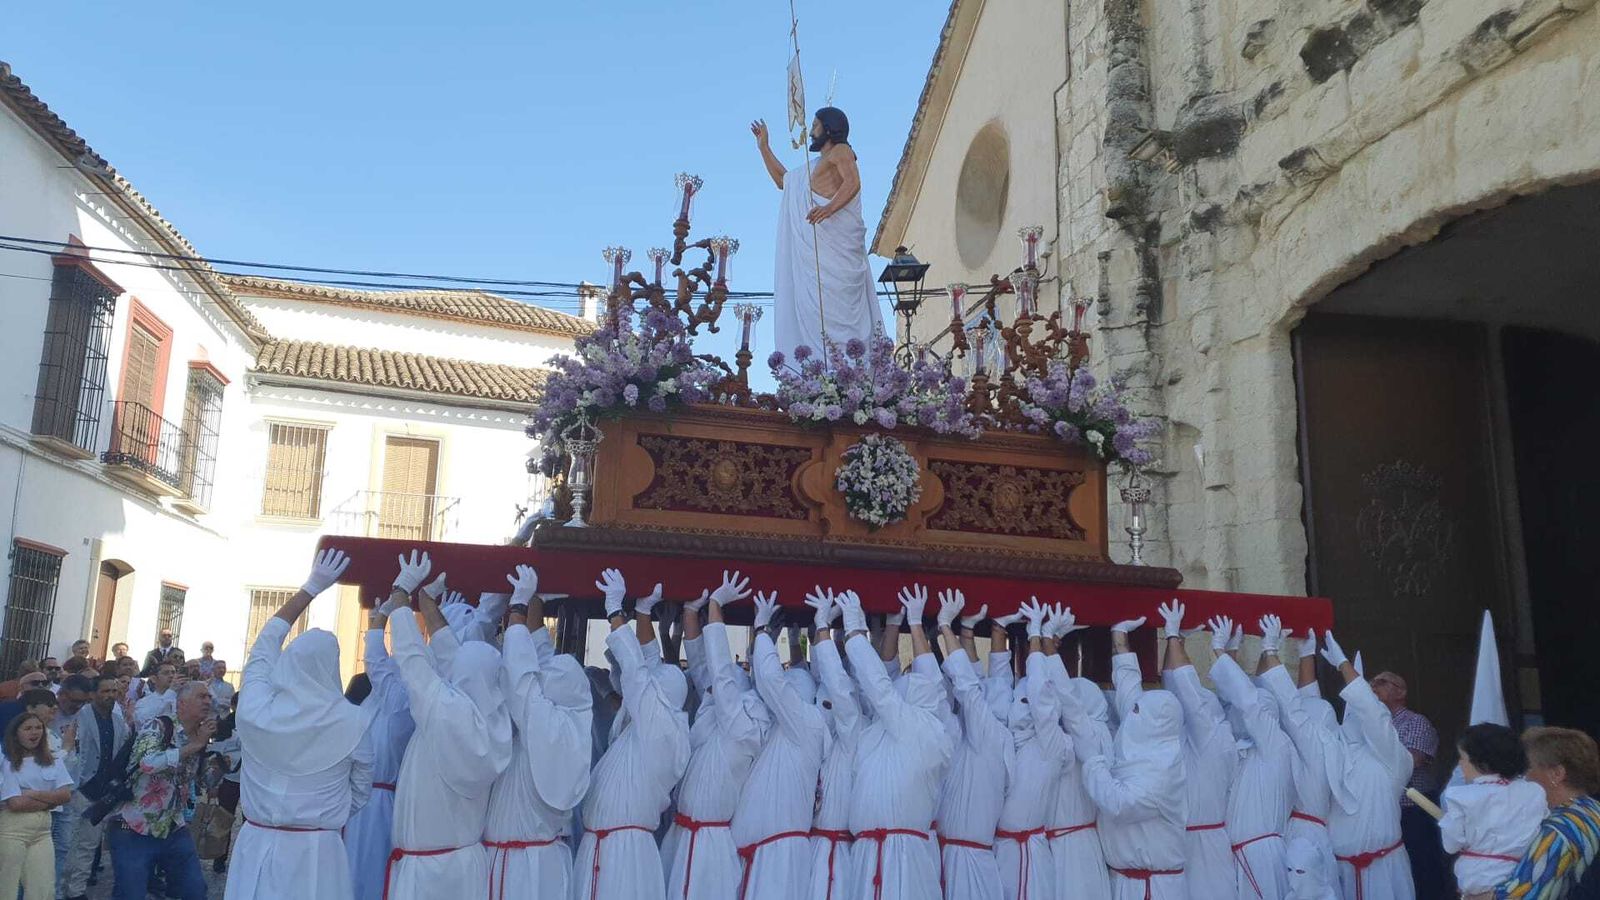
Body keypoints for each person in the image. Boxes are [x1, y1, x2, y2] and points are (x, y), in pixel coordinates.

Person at [224, 548, 375, 900]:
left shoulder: (254, 707)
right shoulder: (353, 720)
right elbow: (361, 789)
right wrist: (326, 813)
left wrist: (310, 588)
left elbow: (263, 646)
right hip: (317, 850)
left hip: (257, 842)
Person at [382, 550, 512, 900]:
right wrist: (426, 602)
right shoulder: (493, 722)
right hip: (464, 866)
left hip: (428, 877)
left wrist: (401, 591)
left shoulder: (448, 712)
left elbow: (412, 657)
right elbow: (454, 656)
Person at [574, 567, 690, 900]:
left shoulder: (664, 733)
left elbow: (640, 677)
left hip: (624, 854)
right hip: (602, 847)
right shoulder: (656, 718)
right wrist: (641, 614)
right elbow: (649, 668)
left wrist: (615, 612)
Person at [833, 587, 952, 900]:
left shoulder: (922, 730)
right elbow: (889, 687)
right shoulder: (886, 730)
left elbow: (881, 688)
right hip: (866, 855)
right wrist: (899, 625)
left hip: (901, 857)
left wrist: (856, 633)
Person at [483, 565, 593, 900]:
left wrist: (517, 607)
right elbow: (541, 664)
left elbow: (522, 682)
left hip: (520, 868)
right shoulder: (572, 716)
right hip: (538, 859)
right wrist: (536, 608)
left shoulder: (550, 727)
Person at [752, 107, 884, 358]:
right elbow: (783, 181)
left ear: (829, 127)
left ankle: (851, 368)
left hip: (838, 252)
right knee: (817, 312)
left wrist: (829, 209)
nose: (812, 132)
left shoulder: (841, 151)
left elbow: (853, 182)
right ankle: (821, 371)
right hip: (816, 255)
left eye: (815, 126)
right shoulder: (811, 167)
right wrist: (764, 148)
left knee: (841, 310)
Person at [1075, 615, 1189, 900]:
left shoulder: (1163, 773)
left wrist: (1093, 761)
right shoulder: (1143, 742)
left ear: (1155, 724)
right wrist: (1120, 637)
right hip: (1125, 879)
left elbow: (1118, 803)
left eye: (1138, 714)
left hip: (1154, 887)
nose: (1131, 716)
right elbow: (1130, 696)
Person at [666, 573, 762, 900]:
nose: (712, 690)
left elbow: (721, 674)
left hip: (713, 845)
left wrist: (718, 607)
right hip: (681, 837)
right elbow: (701, 667)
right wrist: (692, 613)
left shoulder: (743, 730)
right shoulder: (714, 710)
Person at [732, 590, 827, 900]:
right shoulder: (784, 726)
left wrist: (762, 631)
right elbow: (757, 683)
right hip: (761, 855)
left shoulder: (805, 722)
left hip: (778, 860)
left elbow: (772, 681)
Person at [1317, 634, 1416, 900]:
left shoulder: (1395, 757)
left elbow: (1373, 715)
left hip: (1384, 870)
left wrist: (1343, 665)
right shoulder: (1335, 752)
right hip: (1340, 872)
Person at [1209, 615, 1298, 900]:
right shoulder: (1243, 749)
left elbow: (1248, 703)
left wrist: (1220, 653)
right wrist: (1232, 656)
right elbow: (1233, 703)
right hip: (1236, 855)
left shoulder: (1277, 745)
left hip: (1261, 855)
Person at [106, 680, 216, 900]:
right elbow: (147, 763)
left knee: (195, 890)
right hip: (133, 827)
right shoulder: (157, 726)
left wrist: (220, 765)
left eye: (209, 697)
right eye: (201, 696)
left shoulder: (200, 736)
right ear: (182, 703)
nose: (208, 701)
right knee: (130, 894)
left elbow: (200, 782)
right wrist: (193, 747)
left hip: (173, 826)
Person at [344, 599, 416, 900]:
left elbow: (376, 660)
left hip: (379, 803)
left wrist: (380, 619)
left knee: (370, 872)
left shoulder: (401, 705)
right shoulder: (377, 706)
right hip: (361, 801)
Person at [1435, 723, 1547, 898]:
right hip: (1521, 879)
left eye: (1463, 758)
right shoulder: (1534, 791)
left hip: (1479, 881)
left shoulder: (1459, 797)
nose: (1460, 763)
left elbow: (1451, 845)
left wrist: (1448, 822)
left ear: (1482, 763)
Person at [1493, 726, 1600, 899]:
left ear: (1556, 774)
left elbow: (1521, 896)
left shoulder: (1556, 829)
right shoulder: (1593, 809)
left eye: (1525, 769)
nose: (1519, 778)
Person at [1371, 670, 1449, 897]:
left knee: (1422, 868)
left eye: (1381, 682)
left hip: (1415, 810)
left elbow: (1411, 761)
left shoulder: (1415, 722)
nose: (1373, 687)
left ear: (1400, 692)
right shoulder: (1370, 727)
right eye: (1371, 683)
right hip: (1387, 811)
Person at [59, 674, 130, 900]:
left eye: (113, 691)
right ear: (93, 694)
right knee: (68, 843)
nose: (110, 696)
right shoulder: (80, 717)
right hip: (80, 787)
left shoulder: (119, 722)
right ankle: (60, 889)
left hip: (102, 793)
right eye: (105, 691)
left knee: (88, 845)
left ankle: (76, 891)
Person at [0, 712, 73, 899]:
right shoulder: (6, 763)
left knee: (43, 889)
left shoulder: (53, 760)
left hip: (42, 832)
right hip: (11, 832)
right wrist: (50, 800)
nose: (35, 732)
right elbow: (15, 803)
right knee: (6, 888)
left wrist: (32, 794)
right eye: (28, 728)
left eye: (38, 728)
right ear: (16, 733)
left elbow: (65, 795)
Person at [135, 663, 177, 727]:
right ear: (154, 679)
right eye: (166, 673)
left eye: (173, 673)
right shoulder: (143, 702)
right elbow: (144, 721)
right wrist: (170, 693)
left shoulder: (183, 698)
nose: (171, 676)